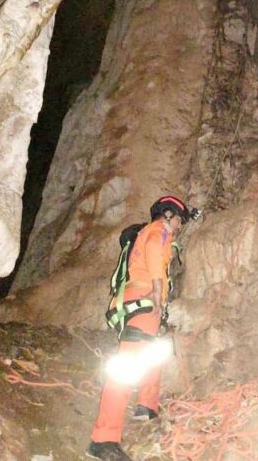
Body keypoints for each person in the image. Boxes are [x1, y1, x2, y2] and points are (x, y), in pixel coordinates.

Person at [86, 195, 190, 461]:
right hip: (145, 301)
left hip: (147, 305)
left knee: (153, 355)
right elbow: (156, 253)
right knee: (127, 368)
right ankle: (103, 439)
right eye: (179, 219)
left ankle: (147, 405)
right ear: (168, 215)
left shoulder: (155, 233)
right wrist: (157, 291)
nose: (179, 226)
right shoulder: (158, 231)